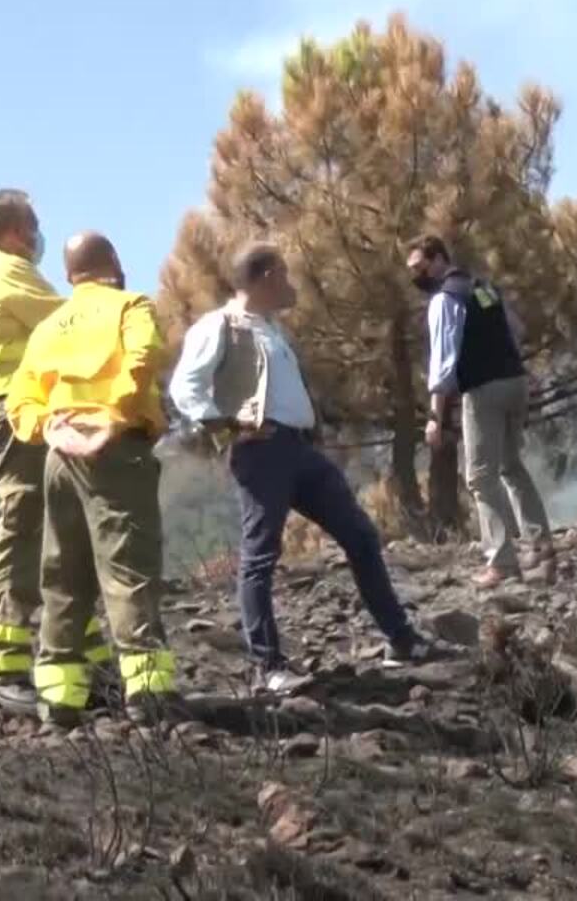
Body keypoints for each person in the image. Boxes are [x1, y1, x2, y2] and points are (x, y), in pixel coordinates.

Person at [168, 241, 430, 695]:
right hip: (261, 450)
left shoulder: (271, 329)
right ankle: (268, 667)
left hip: (300, 450)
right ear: (266, 277)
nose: (291, 284)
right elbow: (184, 387)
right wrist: (226, 424)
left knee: (360, 535)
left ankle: (401, 640)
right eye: (284, 275)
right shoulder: (220, 326)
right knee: (260, 555)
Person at [5, 232, 183, 727]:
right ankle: (149, 695)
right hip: (114, 450)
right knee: (128, 570)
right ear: (114, 263)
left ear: (69, 275)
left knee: (62, 576)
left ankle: (60, 700)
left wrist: (52, 429)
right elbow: (145, 355)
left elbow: (20, 398)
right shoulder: (131, 306)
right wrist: (114, 417)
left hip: (60, 457)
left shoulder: (49, 326)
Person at [0, 189, 109, 713]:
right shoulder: (6, 273)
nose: (39, 235)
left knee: (57, 530)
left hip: (3, 410)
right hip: (14, 411)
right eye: (35, 225)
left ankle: (82, 658)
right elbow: (71, 322)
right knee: (25, 527)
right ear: (18, 232)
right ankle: (4, 668)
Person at [405, 235, 553, 588]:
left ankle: (501, 562)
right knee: (511, 466)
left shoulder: (444, 299)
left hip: (484, 389)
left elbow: (443, 366)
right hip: (513, 381)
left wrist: (434, 418)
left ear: (438, 258)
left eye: (419, 267)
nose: (417, 276)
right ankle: (541, 551)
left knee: (480, 476)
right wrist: (523, 373)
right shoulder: (483, 288)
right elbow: (513, 331)